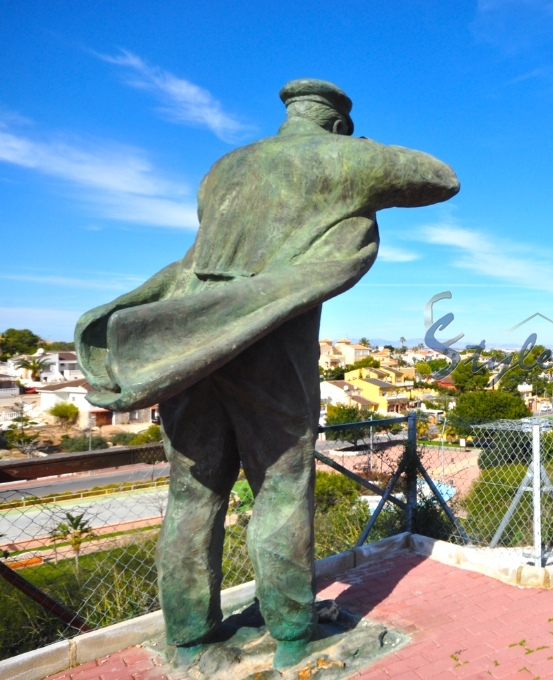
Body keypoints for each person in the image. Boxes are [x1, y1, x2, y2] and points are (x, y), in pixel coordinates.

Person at [75, 79, 459, 668]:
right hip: (270, 344)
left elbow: (203, 252)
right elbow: (441, 177)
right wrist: (357, 154)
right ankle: (292, 637)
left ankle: (188, 637)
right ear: (336, 123)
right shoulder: (339, 155)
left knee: (193, 494)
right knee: (281, 490)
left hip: (191, 339)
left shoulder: (223, 168)